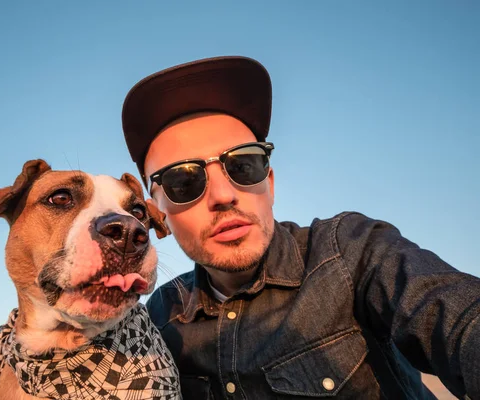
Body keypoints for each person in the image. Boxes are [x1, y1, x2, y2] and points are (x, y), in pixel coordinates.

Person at [120, 56, 479, 399]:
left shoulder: (350, 252)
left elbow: (455, 316)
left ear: (269, 184)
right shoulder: (160, 315)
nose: (224, 195)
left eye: (244, 165)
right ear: (158, 211)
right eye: (184, 182)